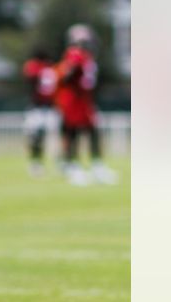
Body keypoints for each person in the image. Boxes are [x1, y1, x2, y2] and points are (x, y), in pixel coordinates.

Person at [54, 24, 117, 185]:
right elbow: (67, 76)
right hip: (74, 101)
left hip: (84, 101)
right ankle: (73, 167)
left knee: (92, 133)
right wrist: (72, 71)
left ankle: (96, 166)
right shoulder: (75, 55)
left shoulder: (87, 57)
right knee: (74, 134)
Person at [20, 47, 59, 177]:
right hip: (38, 108)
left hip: (48, 107)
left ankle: (56, 162)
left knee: (46, 137)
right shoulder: (40, 67)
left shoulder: (46, 68)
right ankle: (36, 162)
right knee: (36, 137)